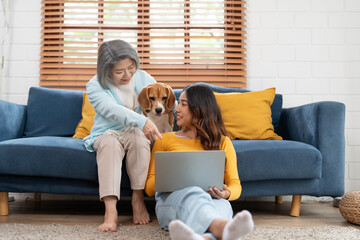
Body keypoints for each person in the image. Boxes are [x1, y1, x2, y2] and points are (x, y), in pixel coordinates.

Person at [145, 84, 254, 240]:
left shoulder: (222, 142)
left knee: (223, 204)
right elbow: (149, 188)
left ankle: (205, 237)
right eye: (178, 103)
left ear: (199, 109)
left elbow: (235, 184)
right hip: (170, 202)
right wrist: (177, 178)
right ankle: (224, 229)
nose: (176, 109)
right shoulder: (165, 140)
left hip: (211, 199)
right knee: (195, 192)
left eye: (183, 104)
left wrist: (225, 193)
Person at [83, 39, 162, 232]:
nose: (127, 74)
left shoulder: (144, 78)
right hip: (107, 132)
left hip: (135, 132)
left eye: (131, 67)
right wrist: (143, 121)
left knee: (137, 136)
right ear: (106, 70)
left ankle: (138, 199)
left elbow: (162, 101)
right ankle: (110, 211)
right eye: (120, 71)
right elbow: (112, 110)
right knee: (109, 144)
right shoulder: (95, 85)